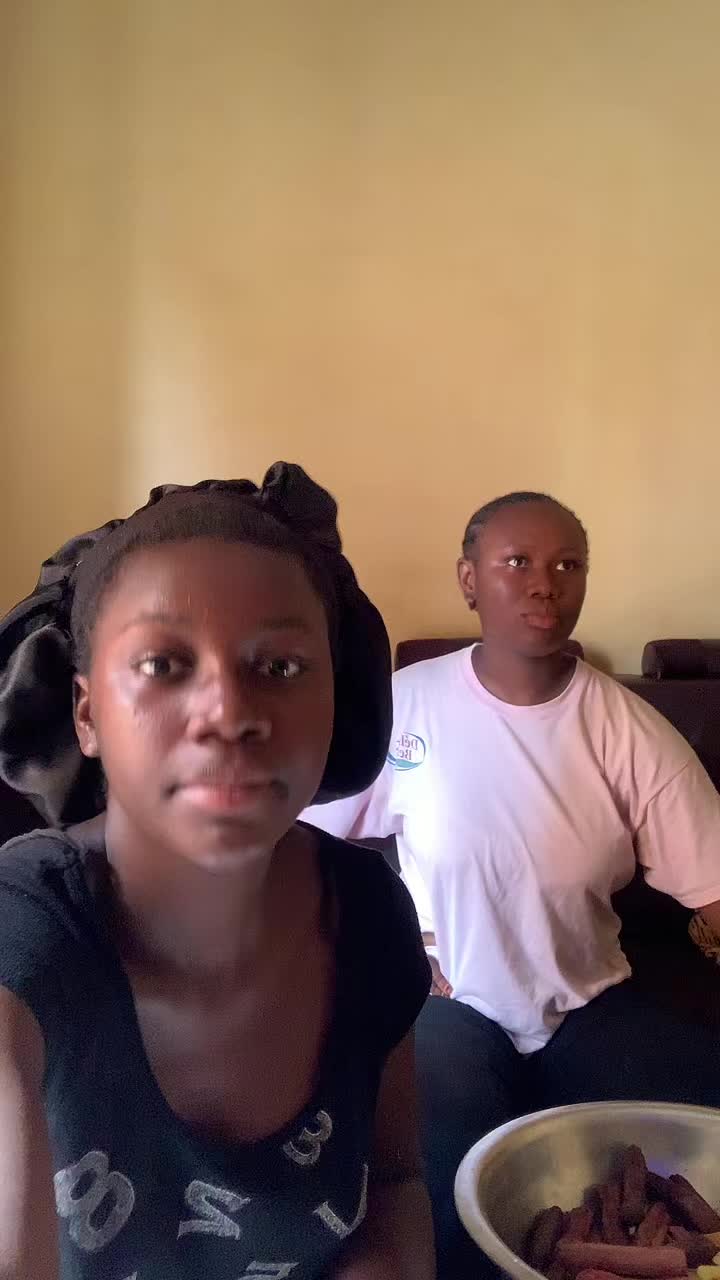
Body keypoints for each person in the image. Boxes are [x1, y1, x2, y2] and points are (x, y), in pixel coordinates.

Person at [0, 465, 434, 1280]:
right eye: (163, 664)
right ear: (87, 714)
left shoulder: (371, 914)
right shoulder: (22, 933)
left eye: (282, 667)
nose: (230, 714)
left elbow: (396, 1181)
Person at [305, 490, 720, 1279]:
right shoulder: (407, 704)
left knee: (695, 1126)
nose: (544, 585)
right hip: (445, 1001)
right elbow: (304, 848)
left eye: (568, 566)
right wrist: (375, 954)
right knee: (441, 1180)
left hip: (588, 1000)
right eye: (517, 562)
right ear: (469, 579)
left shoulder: (628, 729)